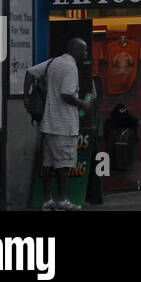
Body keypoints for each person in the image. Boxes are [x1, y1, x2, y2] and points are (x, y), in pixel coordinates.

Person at [26, 38, 92, 211]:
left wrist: (27, 98)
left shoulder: (54, 62)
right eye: (83, 50)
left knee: (48, 165)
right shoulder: (71, 67)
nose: (85, 54)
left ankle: (47, 201)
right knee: (63, 165)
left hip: (48, 124)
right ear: (75, 50)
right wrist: (83, 104)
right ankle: (62, 200)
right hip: (64, 124)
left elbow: (30, 72)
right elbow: (66, 94)